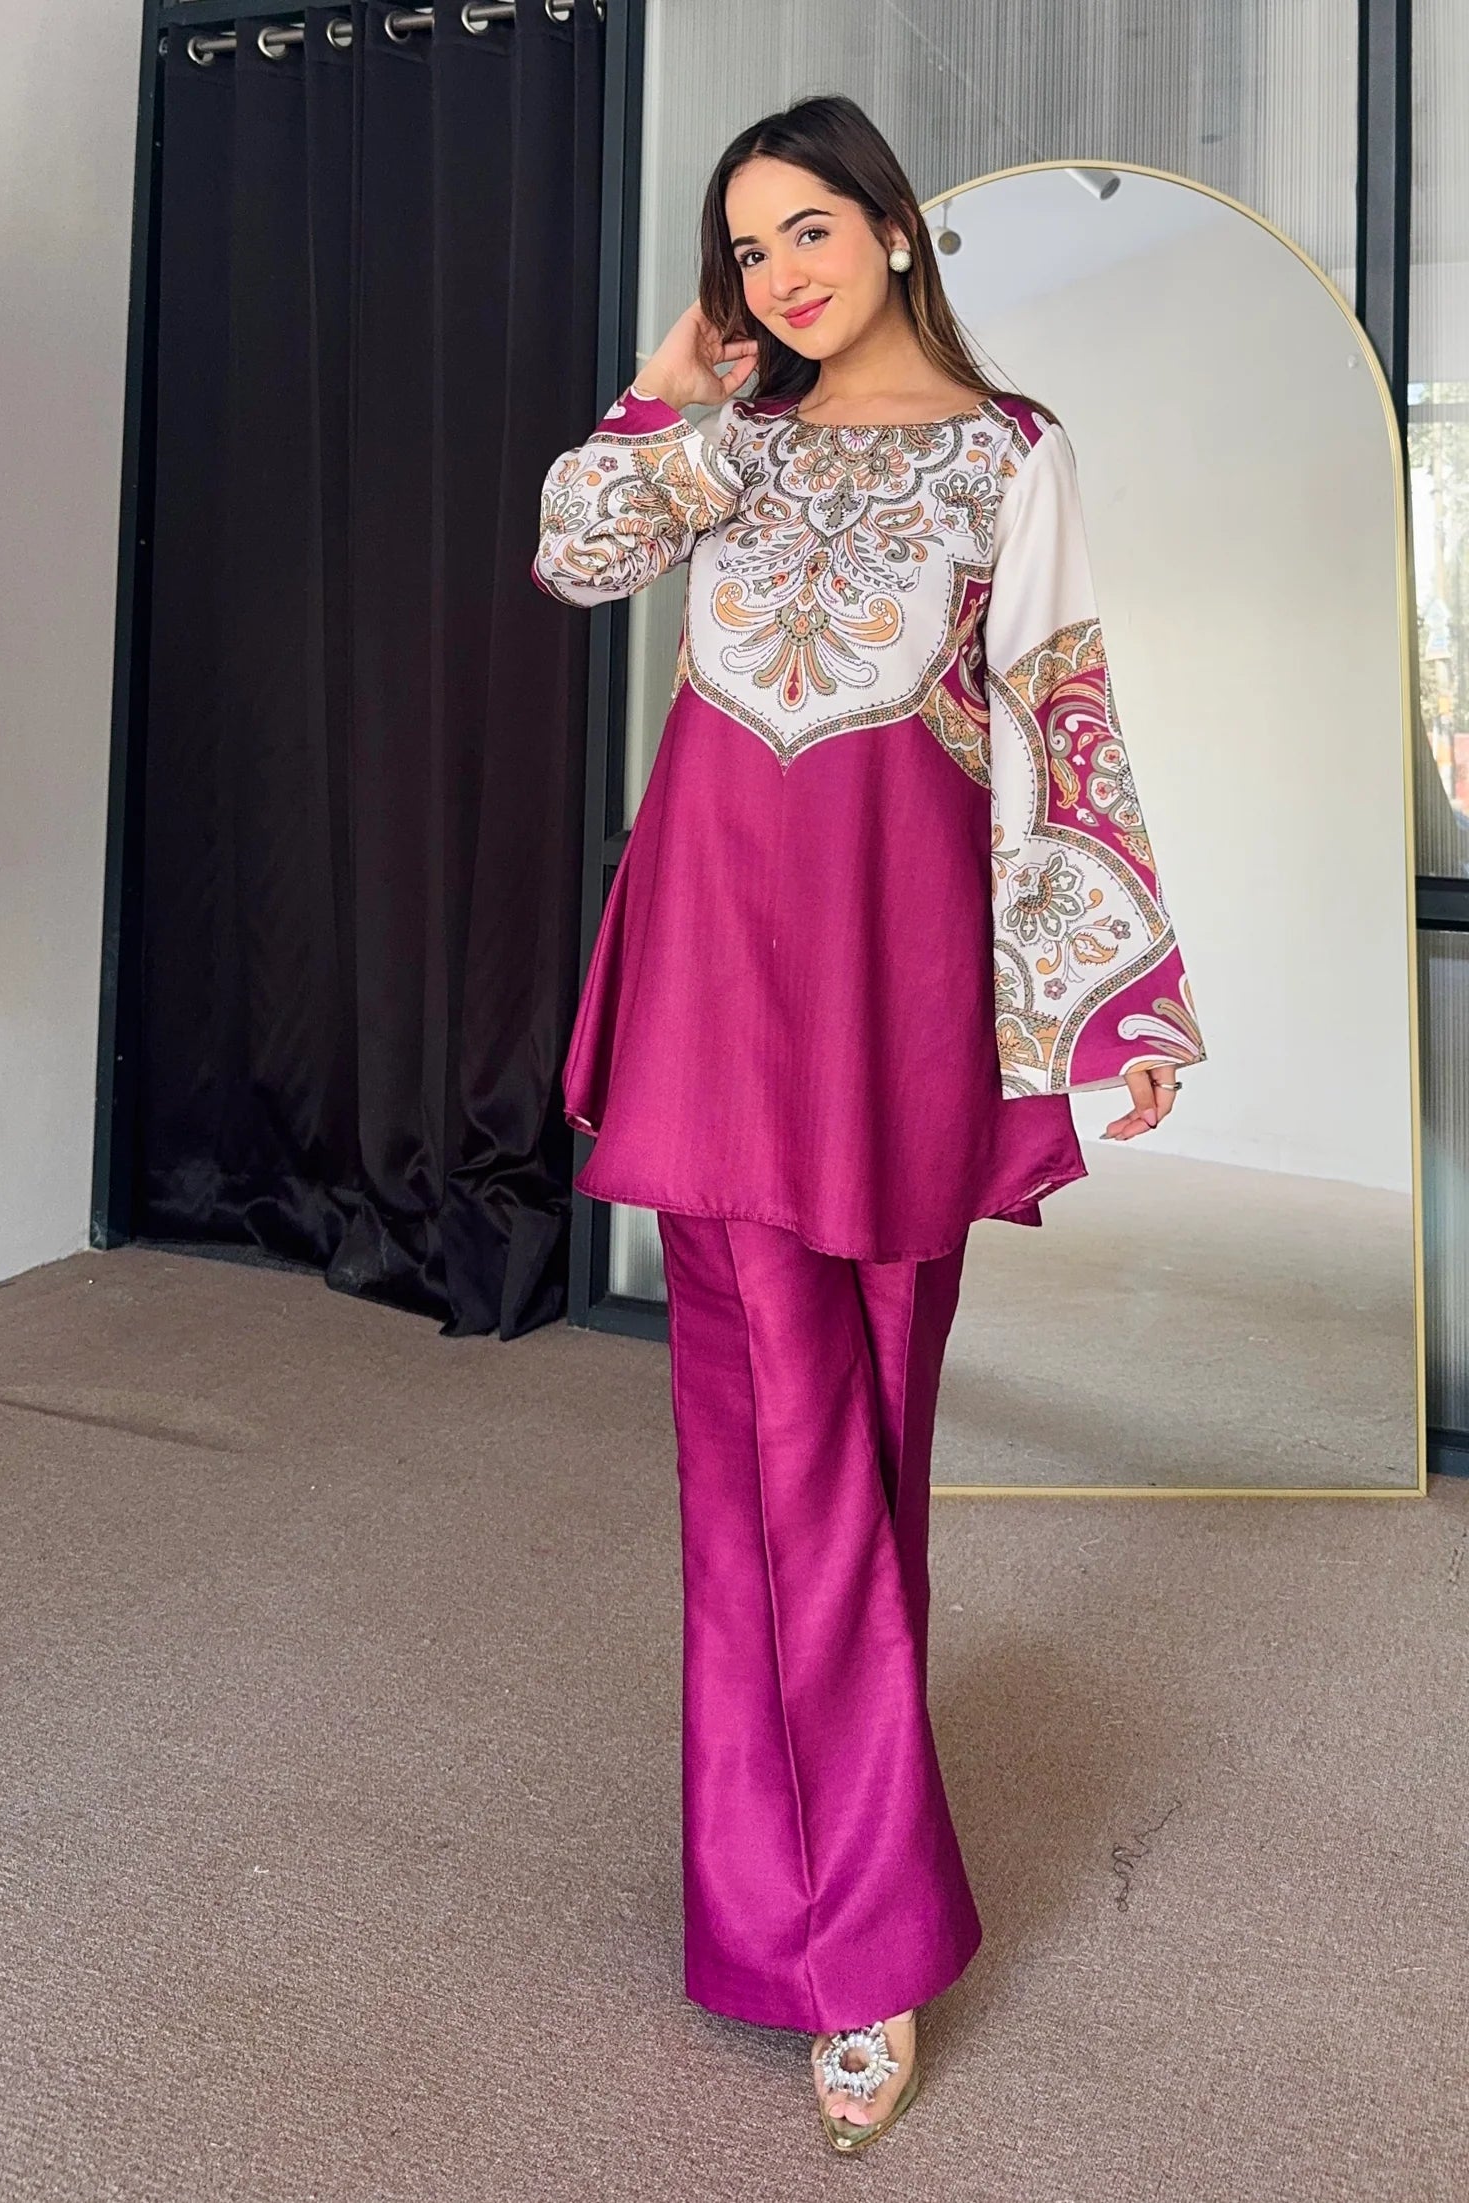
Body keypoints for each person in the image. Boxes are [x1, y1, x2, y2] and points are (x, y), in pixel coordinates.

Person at [530, 93, 1206, 2156]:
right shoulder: (727, 442)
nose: (779, 275)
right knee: (769, 1444)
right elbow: (572, 552)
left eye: (807, 230)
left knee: (867, 1434)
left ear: (894, 229)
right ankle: (842, 1940)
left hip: (893, 989)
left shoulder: (1010, 456)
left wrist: (1114, 993)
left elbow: (1064, 720)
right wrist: (666, 385)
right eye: (746, 250)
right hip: (715, 973)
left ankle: (822, 1887)